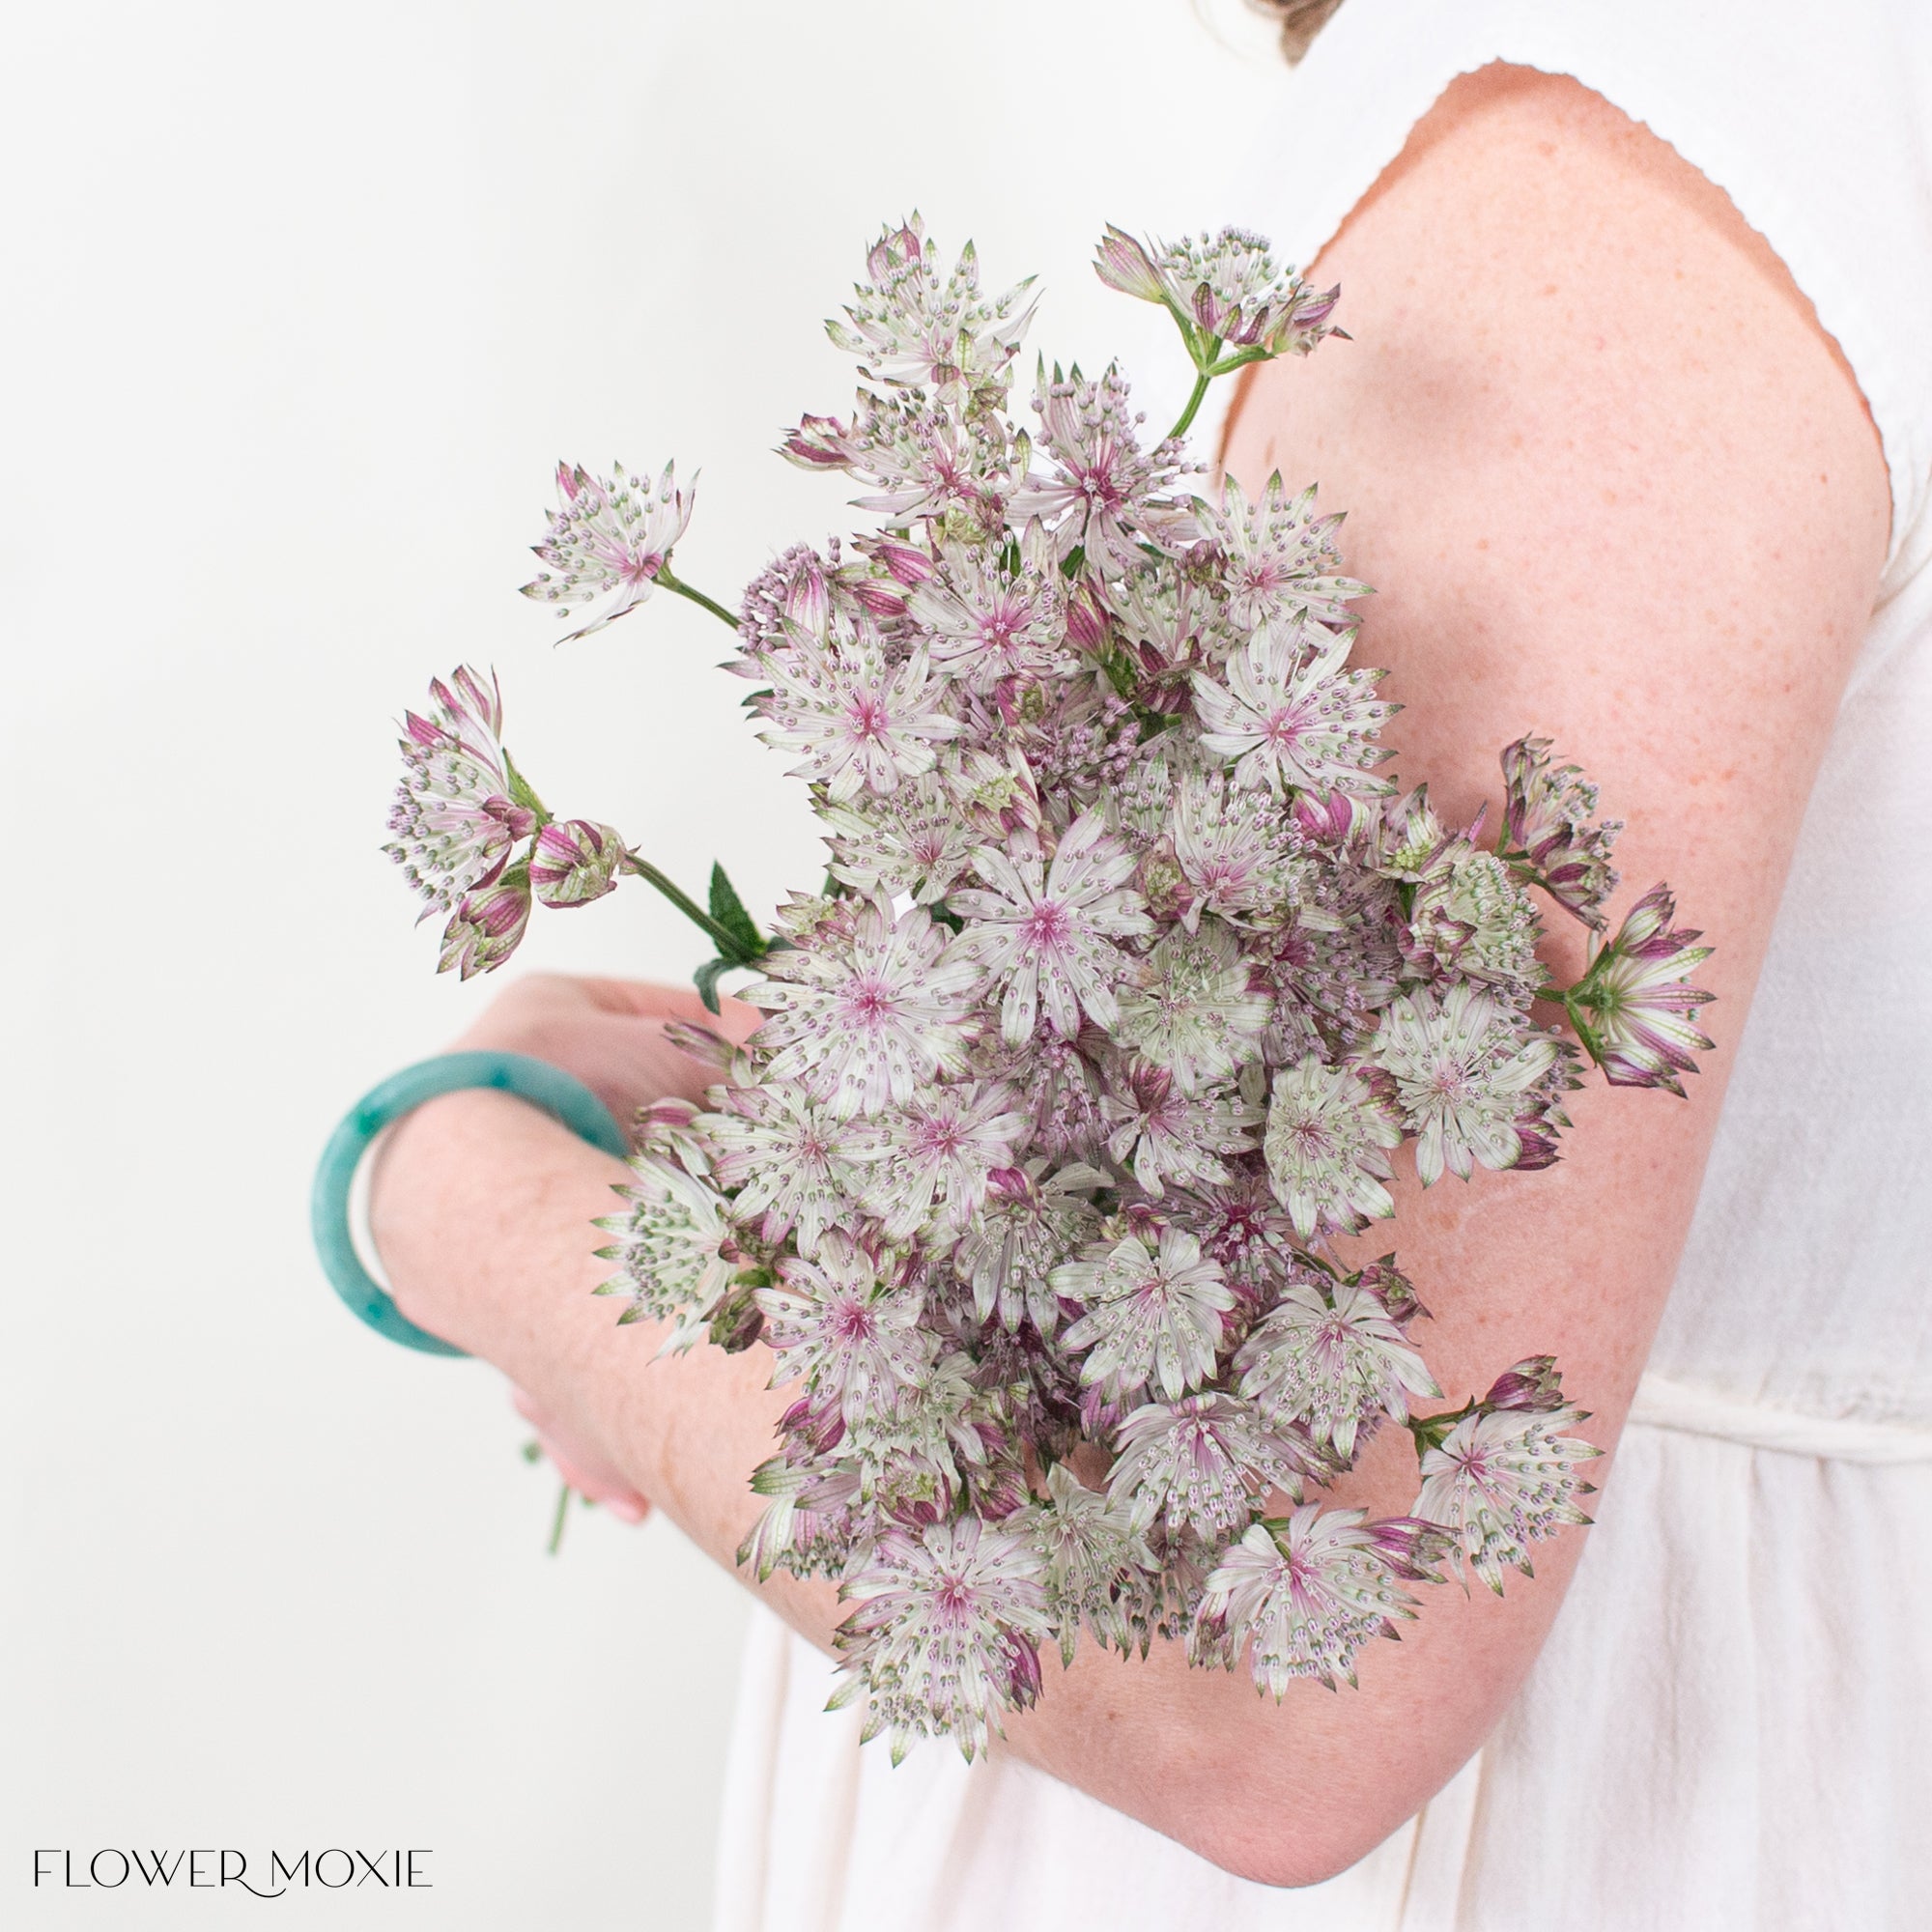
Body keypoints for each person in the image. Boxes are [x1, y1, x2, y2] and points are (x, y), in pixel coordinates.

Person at [369, 2, 1932, 1923]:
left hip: (1567, 1832)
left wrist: (449, 1191)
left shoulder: (1604, 174)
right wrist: (862, 1127)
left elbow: (1258, 1700)